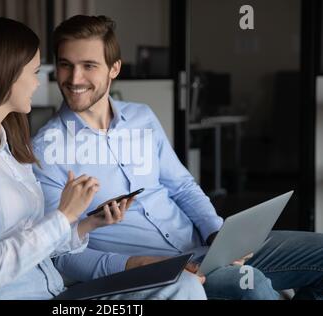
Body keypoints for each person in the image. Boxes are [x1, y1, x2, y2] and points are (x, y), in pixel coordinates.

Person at [32, 15, 323, 300]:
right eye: (65, 65)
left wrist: (217, 234)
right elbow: (60, 254)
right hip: (158, 272)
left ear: (114, 68)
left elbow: (182, 186)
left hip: (206, 249)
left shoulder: (141, 116)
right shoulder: (46, 149)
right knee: (250, 284)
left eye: (88, 66)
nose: (74, 78)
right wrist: (140, 265)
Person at [0, 17, 206, 300]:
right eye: (34, 72)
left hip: (56, 292)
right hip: (37, 296)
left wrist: (87, 224)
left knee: (201, 281)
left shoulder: (7, 147)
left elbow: (40, 244)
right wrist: (63, 216)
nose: (39, 82)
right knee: (184, 287)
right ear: (4, 74)